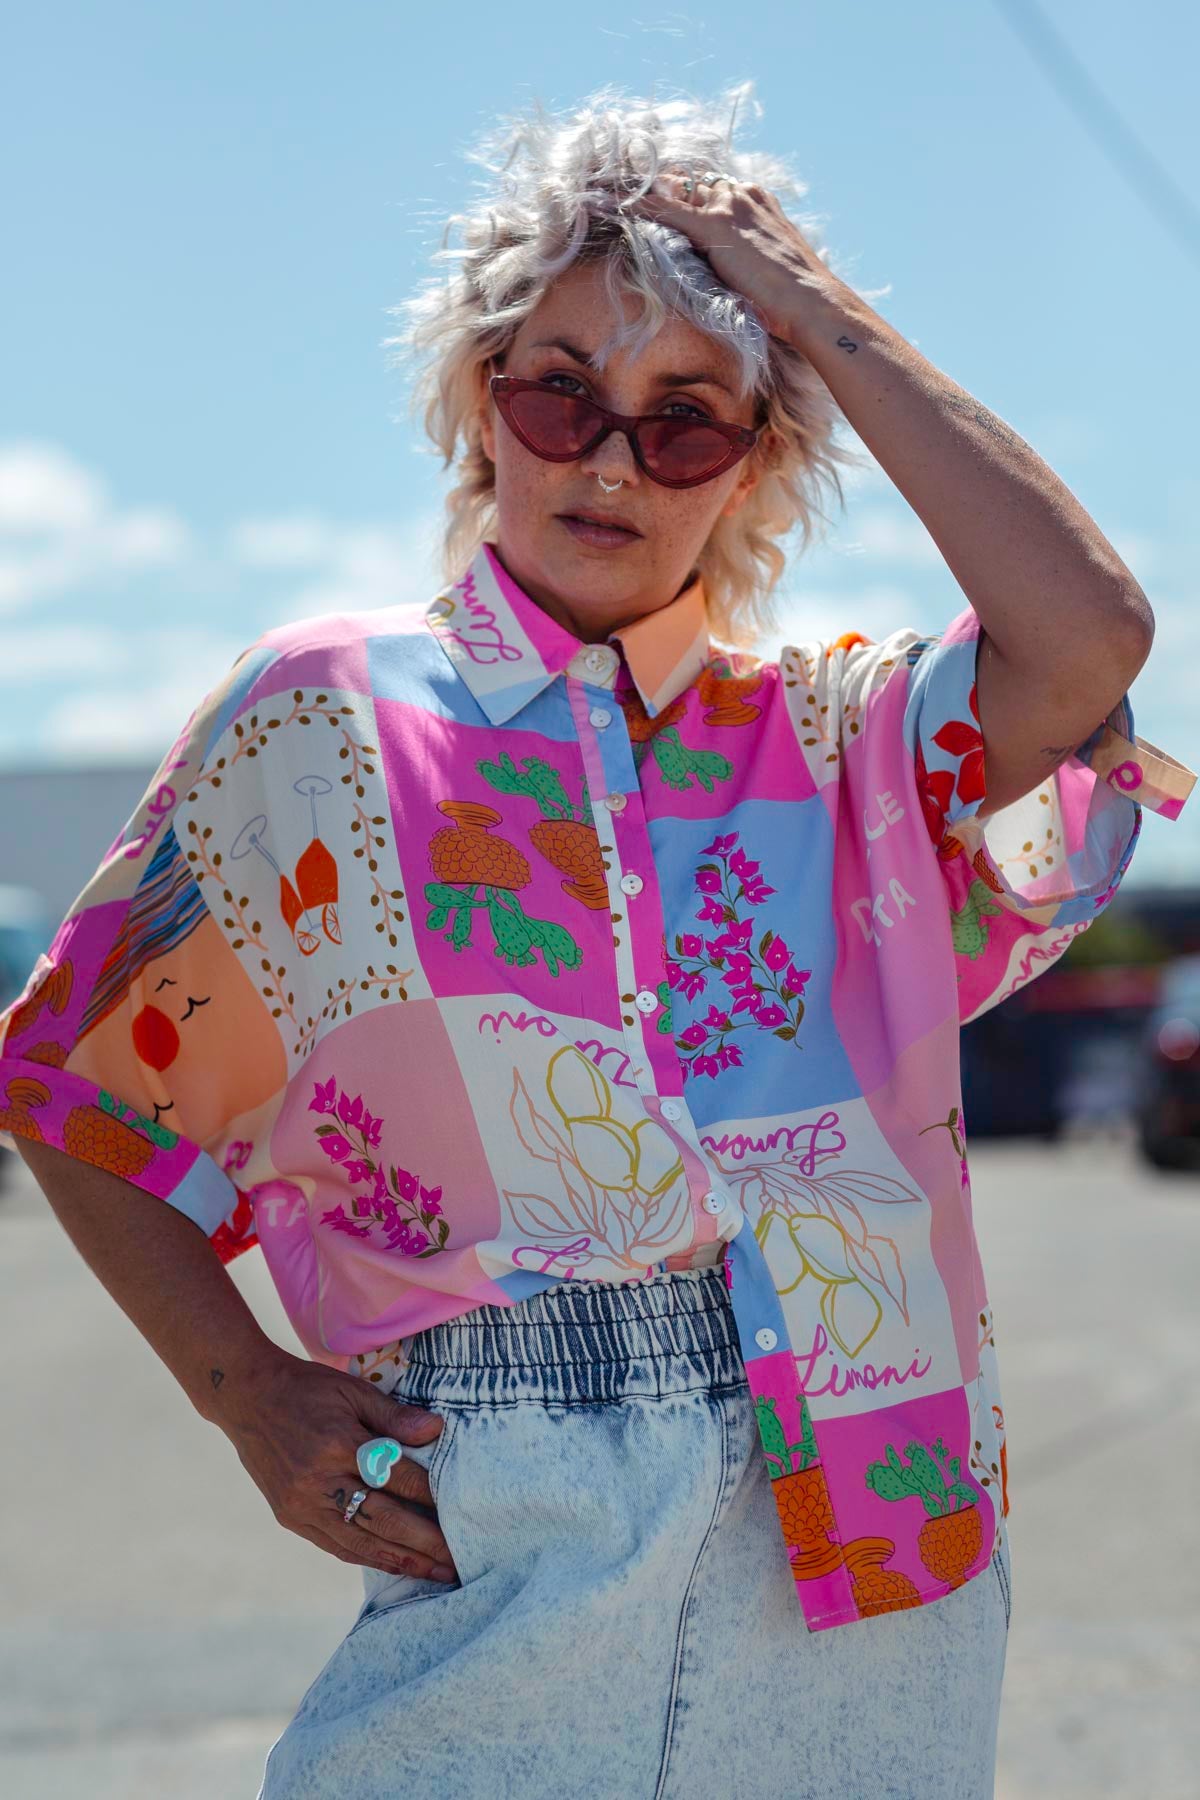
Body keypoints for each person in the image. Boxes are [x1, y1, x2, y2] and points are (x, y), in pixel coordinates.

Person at [1, 81, 1193, 1800]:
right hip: (504, 1508)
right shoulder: (320, 722)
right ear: (481, 406)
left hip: (873, 1534)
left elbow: (1086, 638)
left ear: (755, 465)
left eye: (686, 421)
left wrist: (811, 309)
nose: (612, 459)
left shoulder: (847, 736)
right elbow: (73, 1085)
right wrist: (242, 1391)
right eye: (558, 392)